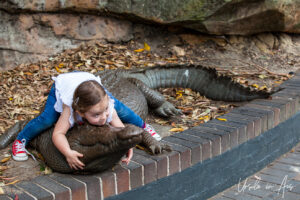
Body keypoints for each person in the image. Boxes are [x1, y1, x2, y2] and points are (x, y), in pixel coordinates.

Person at [11, 71, 161, 169]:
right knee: (46, 120)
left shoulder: (105, 107)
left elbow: (121, 128)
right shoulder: (70, 110)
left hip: (89, 81)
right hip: (64, 85)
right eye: (96, 115)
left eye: (105, 111)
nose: (103, 118)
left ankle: (144, 125)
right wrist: (68, 152)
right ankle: (20, 140)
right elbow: (58, 134)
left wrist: (128, 144)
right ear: (80, 113)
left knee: (123, 111)